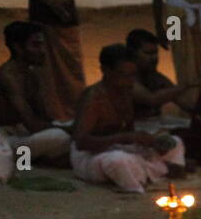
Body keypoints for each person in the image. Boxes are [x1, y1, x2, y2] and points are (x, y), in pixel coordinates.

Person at [71, 43, 187, 192]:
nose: (130, 80)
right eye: (123, 74)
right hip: (90, 156)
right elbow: (81, 143)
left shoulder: (127, 91)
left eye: (133, 75)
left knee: (174, 142)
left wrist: (147, 142)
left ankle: (151, 170)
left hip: (121, 148)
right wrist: (125, 138)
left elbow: (128, 132)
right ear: (105, 71)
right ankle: (160, 170)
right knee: (119, 161)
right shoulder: (93, 98)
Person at [0, 21, 72, 163]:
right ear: (18, 48)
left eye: (42, 44)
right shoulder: (7, 76)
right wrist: (73, 131)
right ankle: (30, 158)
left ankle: (37, 156)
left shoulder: (31, 74)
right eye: (36, 45)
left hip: (22, 133)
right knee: (60, 137)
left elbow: (43, 117)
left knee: (67, 130)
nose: (42, 50)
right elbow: (32, 124)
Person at [25, 0, 85, 121]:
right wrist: (58, 3)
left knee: (68, 66)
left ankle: (71, 112)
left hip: (61, 16)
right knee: (47, 68)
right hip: (46, 15)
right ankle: (54, 113)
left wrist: (59, 3)